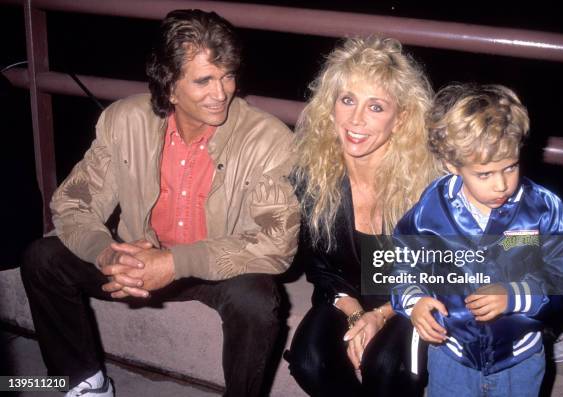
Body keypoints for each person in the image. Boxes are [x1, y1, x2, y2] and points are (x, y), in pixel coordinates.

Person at [20, 9, 298, 397]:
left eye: (227, 75)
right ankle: (85, 382)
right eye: (204, 80)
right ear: (169, 87)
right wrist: (107, 255)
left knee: (255, 299)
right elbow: (73, 203)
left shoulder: (269, 140)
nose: (222, 93)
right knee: (42, 258)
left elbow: (276, 242)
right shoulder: (123, 121)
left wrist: (175, 263)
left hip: (213, 264)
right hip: (138, 256)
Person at [391, 84, 563, 396]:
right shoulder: (431, 206)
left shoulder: (545, 207)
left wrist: (516, 295)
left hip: (520, 360)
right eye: (484, 174)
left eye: (510, 167)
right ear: (451, 165)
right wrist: (413, 301)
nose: (501, 185)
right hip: (451, 355)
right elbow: (403, 260)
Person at [286, 36, 441, 396]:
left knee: (386, 366)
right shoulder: (314, 173)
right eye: (348, 100)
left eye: (376, 107)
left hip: (409, 299)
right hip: (346, 295)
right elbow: (321, 268)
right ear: (331, 106)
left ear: (400, 119)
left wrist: (381, 315)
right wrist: (357, 315)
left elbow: (439, 270)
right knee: (309, 360)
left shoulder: (427, 183)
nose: (356, 120)